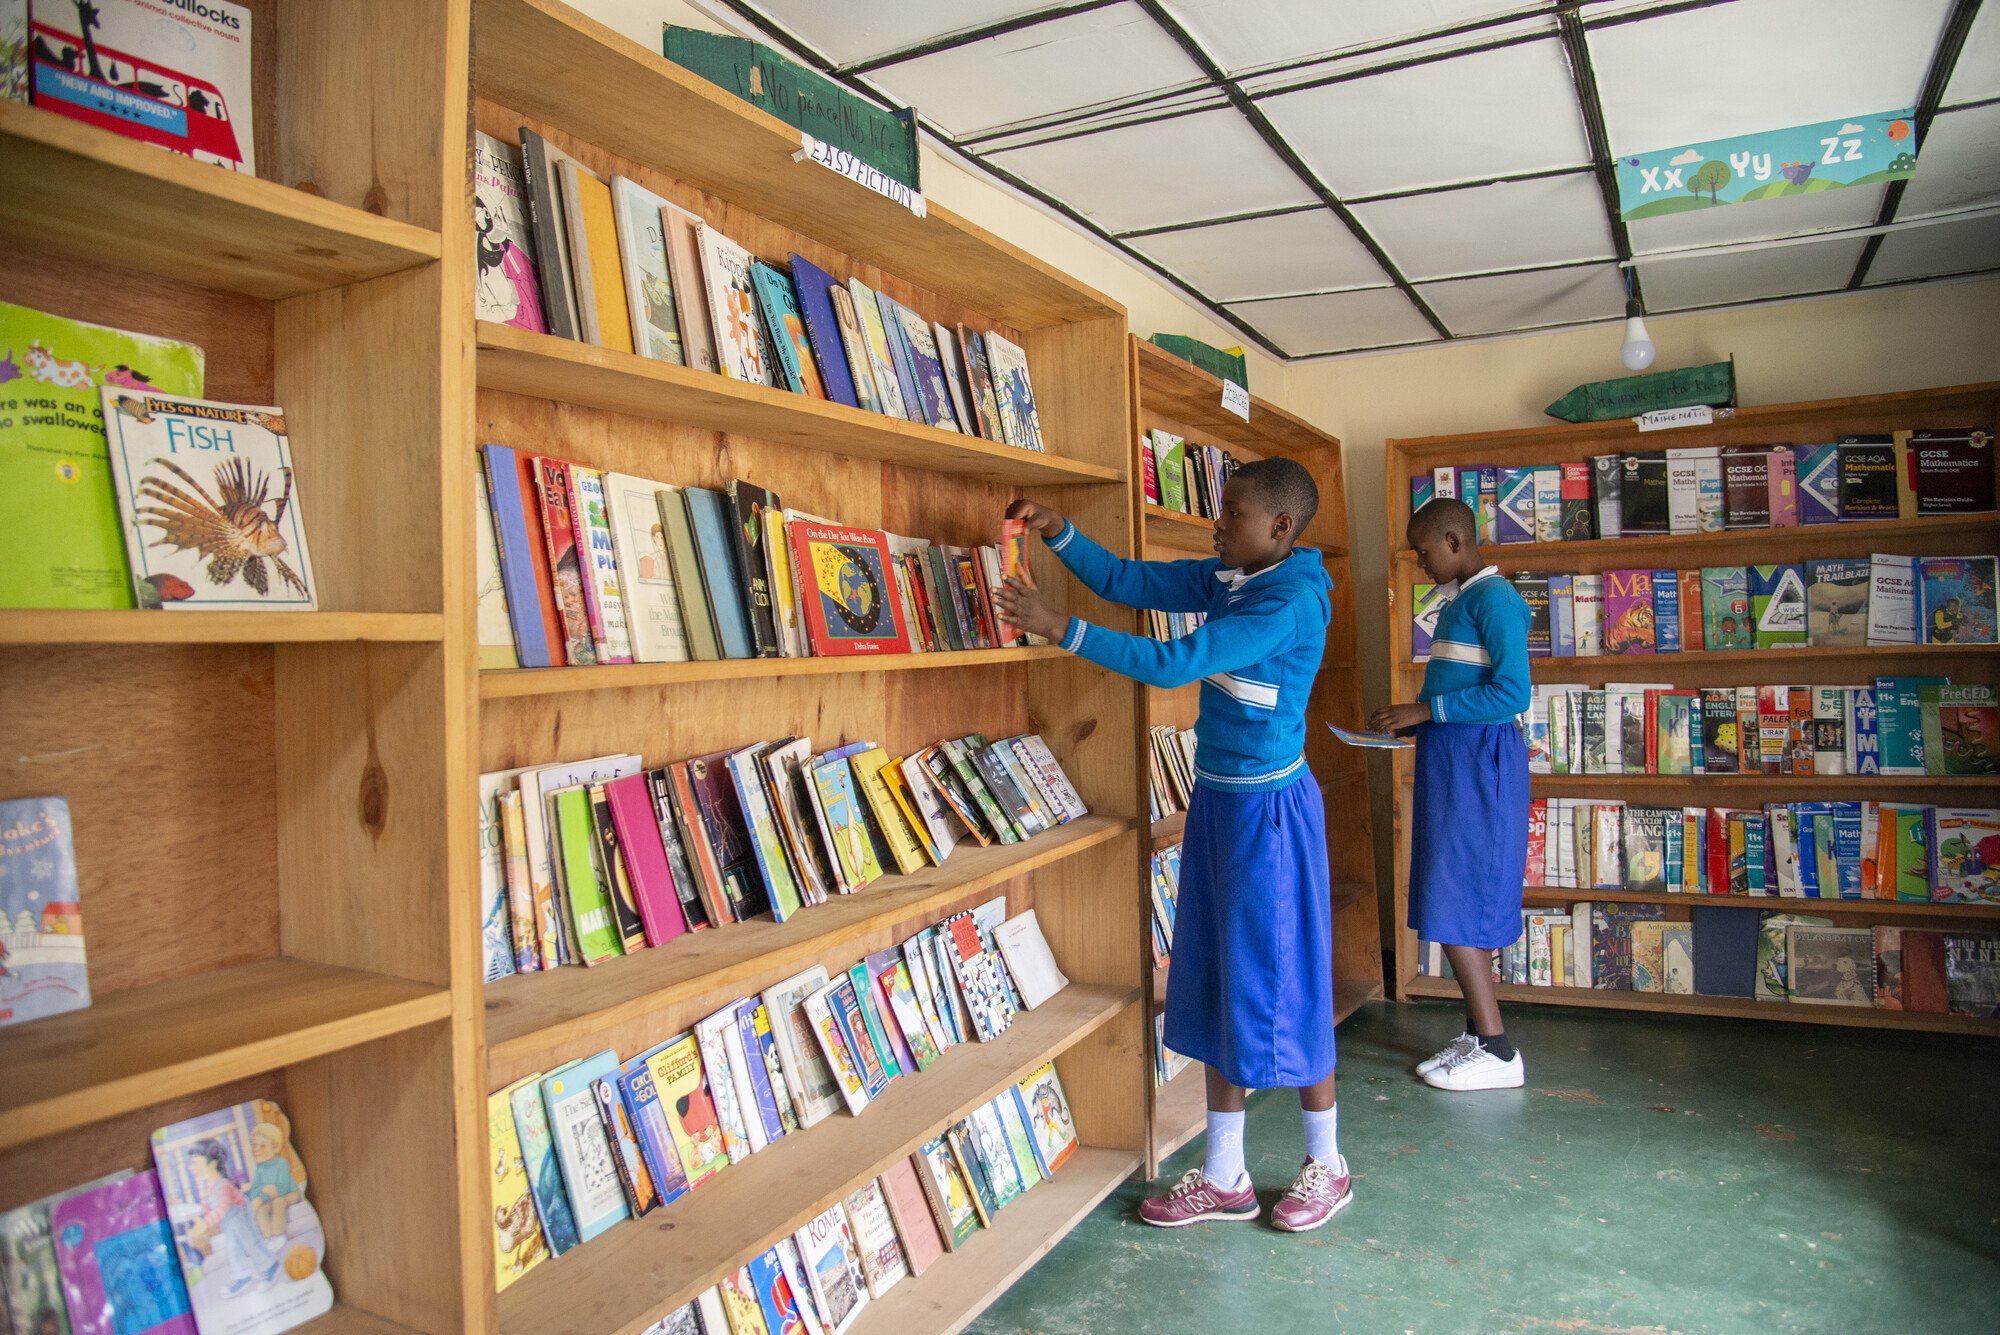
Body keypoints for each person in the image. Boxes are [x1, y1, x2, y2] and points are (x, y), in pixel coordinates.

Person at [993, 458, 1350, 1233]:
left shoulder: (1288, 601)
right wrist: (1061, 534)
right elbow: (1133, 581)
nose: (1217, 523)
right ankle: (1226, 1174)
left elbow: (1175, 661)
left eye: (1234, 512)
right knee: (1224, 978)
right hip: (1222, 803)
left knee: (1285, 983)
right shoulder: (1234, 575)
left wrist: (1060, 627)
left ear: (1281, 529)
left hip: (1271, 817)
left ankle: (1329, 1162)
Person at [1369, 497, 1531, 1092]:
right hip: (1453, 760)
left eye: (1424, 551)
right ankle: (1476, 1032)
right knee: (1446, 885)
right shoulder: (1464, 600)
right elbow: (1467, 687)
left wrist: (1425, 707)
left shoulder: (1495, 600)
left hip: (1478, 768)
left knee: (1461, 890)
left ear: (1456, 541)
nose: (1419, 562)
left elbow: (1512, 694)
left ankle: (1497, 1048)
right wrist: (1418, 721)